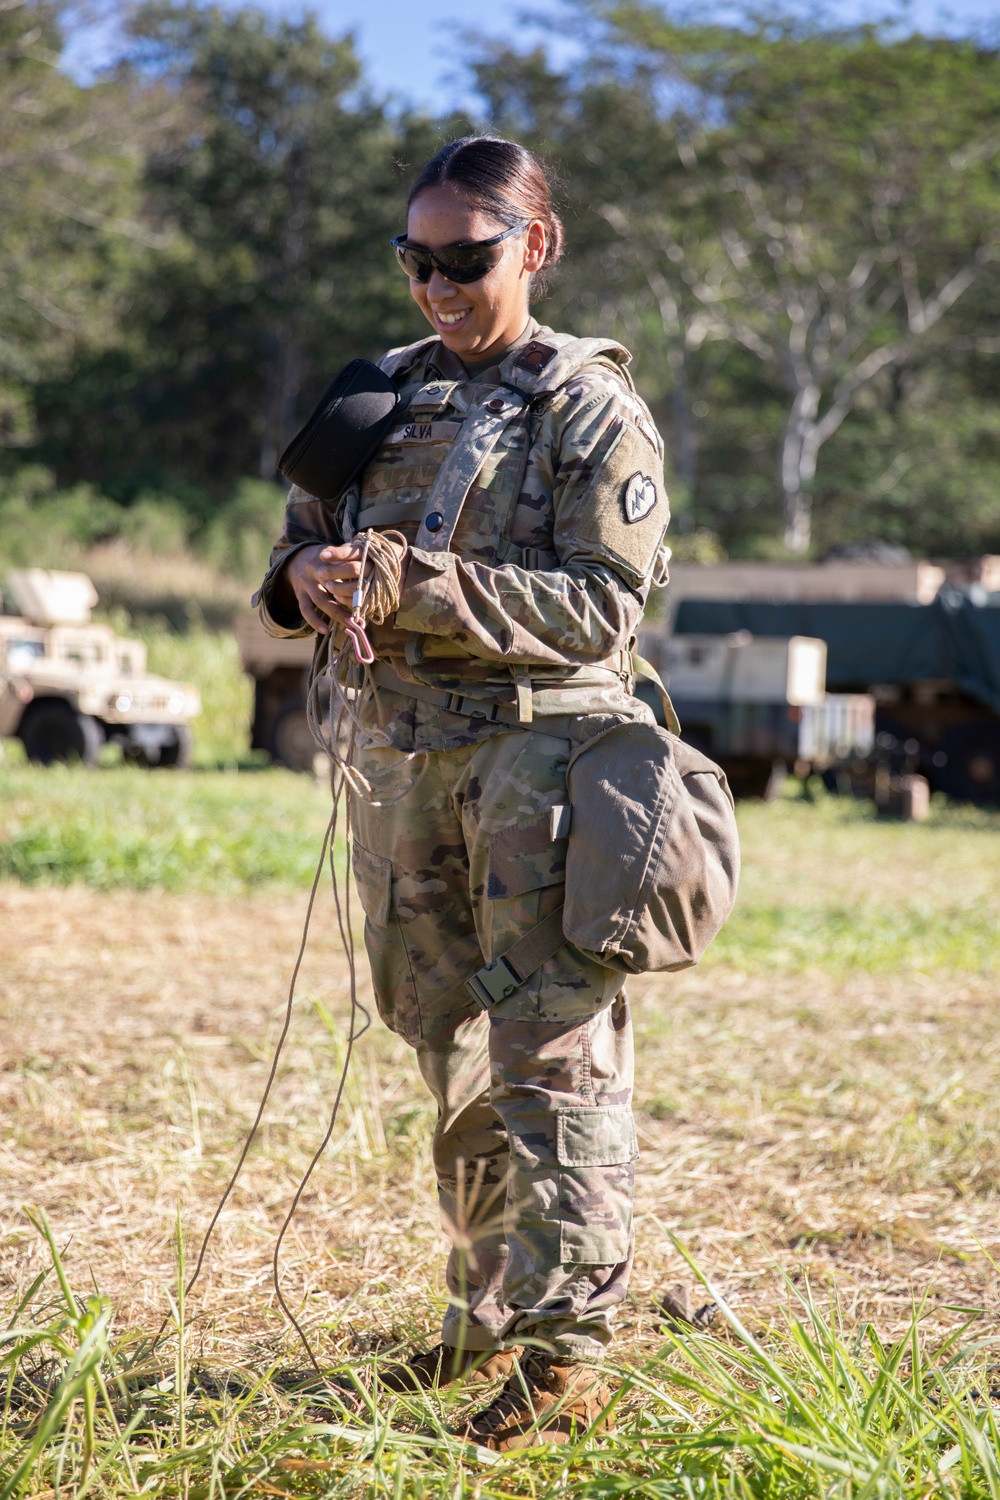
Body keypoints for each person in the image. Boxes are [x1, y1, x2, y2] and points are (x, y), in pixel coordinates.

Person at [255, 135, 671, 1450]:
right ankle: (482, 1328)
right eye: (415, 260)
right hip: (409, 780)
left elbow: (605, 606)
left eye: (465, 259)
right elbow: (291, 562)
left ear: (532, 248)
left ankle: (568, 1366)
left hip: (543, 780)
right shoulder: (376, 396)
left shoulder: (586, 409)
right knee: (449, 1060)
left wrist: (417, 584)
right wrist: (310, 581)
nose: (436, 284)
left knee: (548, 1061)